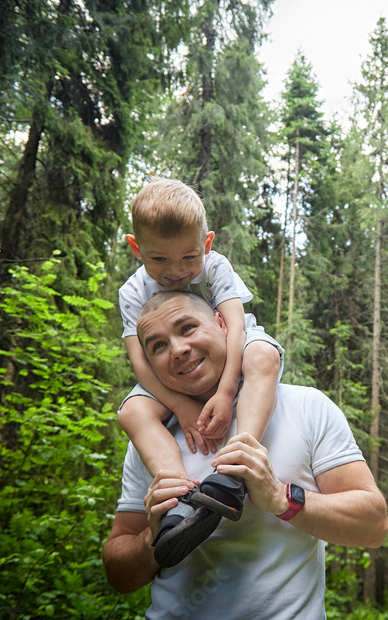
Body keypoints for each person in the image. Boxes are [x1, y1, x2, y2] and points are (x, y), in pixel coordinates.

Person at [103, 291, 388, 620]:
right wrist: (150, 540)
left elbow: (373, 525)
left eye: (187, 328)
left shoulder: (306, 407)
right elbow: (118, 573)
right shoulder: (153, 438)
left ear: (223, 325)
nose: (177, 349)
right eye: (158, 346)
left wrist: (283, 498)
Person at [117, 178, 284, 567]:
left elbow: (236, 326)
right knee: (131, 412)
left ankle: (232, 473)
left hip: (231, 347)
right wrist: (181, 406)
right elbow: (140, 360)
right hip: (170, 378)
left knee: (263, 357)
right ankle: (176, 503)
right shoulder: (132, 292)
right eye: (159, 260)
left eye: (189, 258)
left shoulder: (215, 267)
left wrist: (226, 394)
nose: (176, 271)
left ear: (206, 244)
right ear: (136, 248)